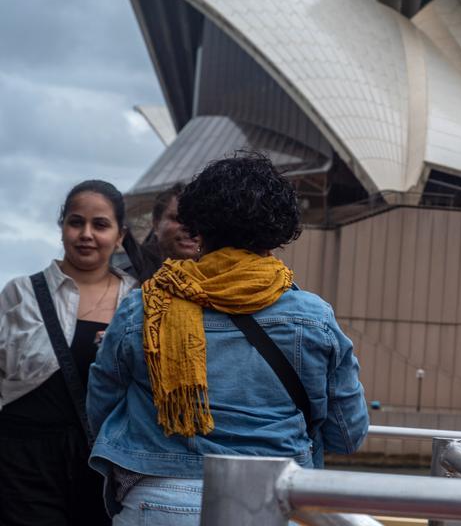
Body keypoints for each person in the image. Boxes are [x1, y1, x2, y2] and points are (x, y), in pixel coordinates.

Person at [87, 153, 369, 523]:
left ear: (198, 226)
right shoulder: (313, 319)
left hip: (155, 502)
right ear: (278, 230)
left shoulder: (146, 306)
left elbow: (102, 407)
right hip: (272, 504)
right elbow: (347, 435)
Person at [0, 180, 141, 526]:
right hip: (22, 457)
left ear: (120, 236)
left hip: (102, 460)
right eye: (76, 222)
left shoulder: (139, 302)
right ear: (62, 227)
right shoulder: (21, 293)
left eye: (101, 224)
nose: (86, 234)